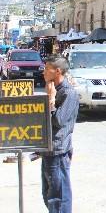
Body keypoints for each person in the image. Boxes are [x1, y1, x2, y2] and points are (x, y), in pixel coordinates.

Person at [41, 56, 79, 213]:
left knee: (59, 198)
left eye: (46, 68)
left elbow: (58, 120)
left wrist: (50, 99)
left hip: (58, 151)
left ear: (57, 71)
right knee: (49, 194)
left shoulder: (68, 93)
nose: (43, 72)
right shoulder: (54, 89)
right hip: (48, 150)